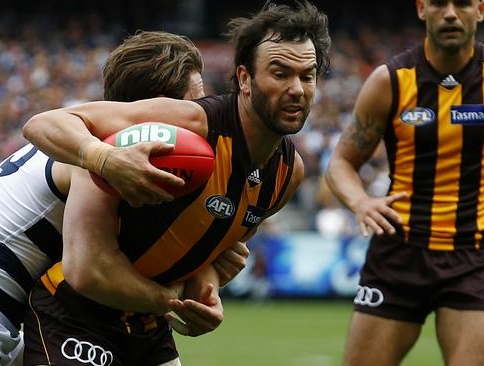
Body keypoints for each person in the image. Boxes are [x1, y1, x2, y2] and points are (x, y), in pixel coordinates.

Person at [0, 30, 249, 366]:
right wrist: (175, 299)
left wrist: (207, 262)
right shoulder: (108, 156)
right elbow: (93, 270)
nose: (205, 110)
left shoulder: (102, 143)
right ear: (161, 107)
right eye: (195, 99)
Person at [22, 1, 330, 365]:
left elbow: (208, 258)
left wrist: (208, 289)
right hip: (74, 313)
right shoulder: (191, 124)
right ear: (245, 78)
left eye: (307, 75)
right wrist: (102, 157)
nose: (297, 89)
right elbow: (42, 124)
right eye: (280, 73)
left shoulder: (287, 173)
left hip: (149, 326)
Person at [325, 1, 484, 365]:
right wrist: (360, 202)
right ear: (422, 9)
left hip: (476, 255)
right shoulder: (390, 80)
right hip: (399, 253)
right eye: (439, 3)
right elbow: (341, 162)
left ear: (481, 10)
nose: (450, 13)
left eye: (463, 3)